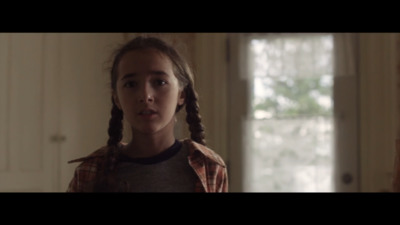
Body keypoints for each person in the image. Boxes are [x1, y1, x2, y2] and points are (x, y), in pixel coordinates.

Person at [66, 36, 228, 192]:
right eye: (131, 84)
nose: (145, 96)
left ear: (181, 94)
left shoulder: (210, 166)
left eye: (159, 82)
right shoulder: (91, 172)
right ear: (116, 98)